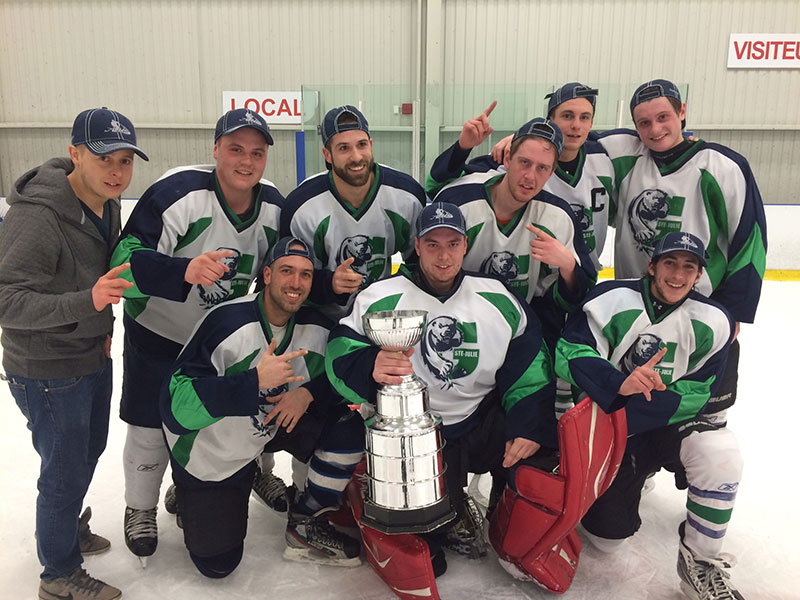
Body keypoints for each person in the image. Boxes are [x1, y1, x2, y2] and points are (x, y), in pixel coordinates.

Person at [326, 202, 557, 573]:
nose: (444, 255)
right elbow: (339, 351)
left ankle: (504, 513)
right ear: (417, 246)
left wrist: (527, 426)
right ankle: (436, 504)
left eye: (453, 244)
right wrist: (370, 366)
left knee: (540, 446)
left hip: (479, 420)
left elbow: (531, 363)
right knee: (431, 555)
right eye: (433, 244)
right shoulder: (381, 295)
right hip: (417, 434)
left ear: (465, 246)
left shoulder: (496, 295)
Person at [109, 108, 283, 563]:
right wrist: (182, 270)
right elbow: (122, 263)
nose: (246, 161)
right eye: (236, 149)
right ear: (216, 149)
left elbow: (283, 270)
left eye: (257, 153)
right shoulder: (177, 192)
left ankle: (229, 477)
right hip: (158, 330)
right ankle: (140, 507)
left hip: (217, 338)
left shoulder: (273, 207)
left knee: (231, 411)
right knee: (150, 423)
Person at [0, 108, 148, 600]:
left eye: (125, 160)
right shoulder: (37, 216)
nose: (117, 171)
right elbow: (6, 300)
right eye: (105, 158)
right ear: (75, 154)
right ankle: (58, 574)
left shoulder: (107, 203)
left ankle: (65, 531)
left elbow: (101, 278)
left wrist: (102, 325)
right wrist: (88, 304)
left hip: (89, 353)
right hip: (45, 368)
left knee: (87, 452)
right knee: (62, 473)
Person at [555, 231, 744, 599]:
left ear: (699, 275)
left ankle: (700, 561)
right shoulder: (609, 299)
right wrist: (618, 384)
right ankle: (633, 476)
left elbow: (698, 393)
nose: (678, 274)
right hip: (608, 426)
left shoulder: (714, 320)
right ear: (652, 265)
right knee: (607, 540)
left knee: (720, 454)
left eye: (688, 267)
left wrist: (631, 405)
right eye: (670, 263)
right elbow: (569, 354)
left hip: (663, 424)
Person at [161, 237, 364, 578]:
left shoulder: (314, 325)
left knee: (346, 425)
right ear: (267, 275)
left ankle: (306, 521)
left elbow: (349, 372)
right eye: (286, 271)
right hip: (209, 451)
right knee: (217, 564)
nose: (296, 283)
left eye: (305, 275)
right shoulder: (226, 322)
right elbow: (175, 409)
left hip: (265, 427)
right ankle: (191, 491)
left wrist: (308, 393)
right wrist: (252, 381)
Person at [593, 79, 767, 425]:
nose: (655, 130)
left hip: (701, 306)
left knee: (706, 413)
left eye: (663, 117)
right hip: (636, 306)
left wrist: (734, 310)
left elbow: (750, 240)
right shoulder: (624, 154)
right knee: (634, 399)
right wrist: (516, 141)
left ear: (682, 111)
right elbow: (569, 140)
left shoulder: (722, 166)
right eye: (644, 122)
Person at [426, 111, 596, 352]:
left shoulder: (558, 217)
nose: (530, 177)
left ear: (551, 172)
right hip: (458, 325)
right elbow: (424, 270)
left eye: (542, 168)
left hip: (521, 331)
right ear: (507, 158)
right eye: (524, 162)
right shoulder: (460, 203)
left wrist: (568, 267)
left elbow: (577, 295)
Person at [281, 104, 426, 320]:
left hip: (382, 317)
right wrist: (329, 284)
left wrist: (394, 288)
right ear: (327, 155)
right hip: (320, 320)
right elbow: (289, 280)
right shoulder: (302, 207)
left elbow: (420, 263)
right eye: (343, 148)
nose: (356, 157)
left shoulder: (407, 195)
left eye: (361, 145)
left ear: (371, 145)